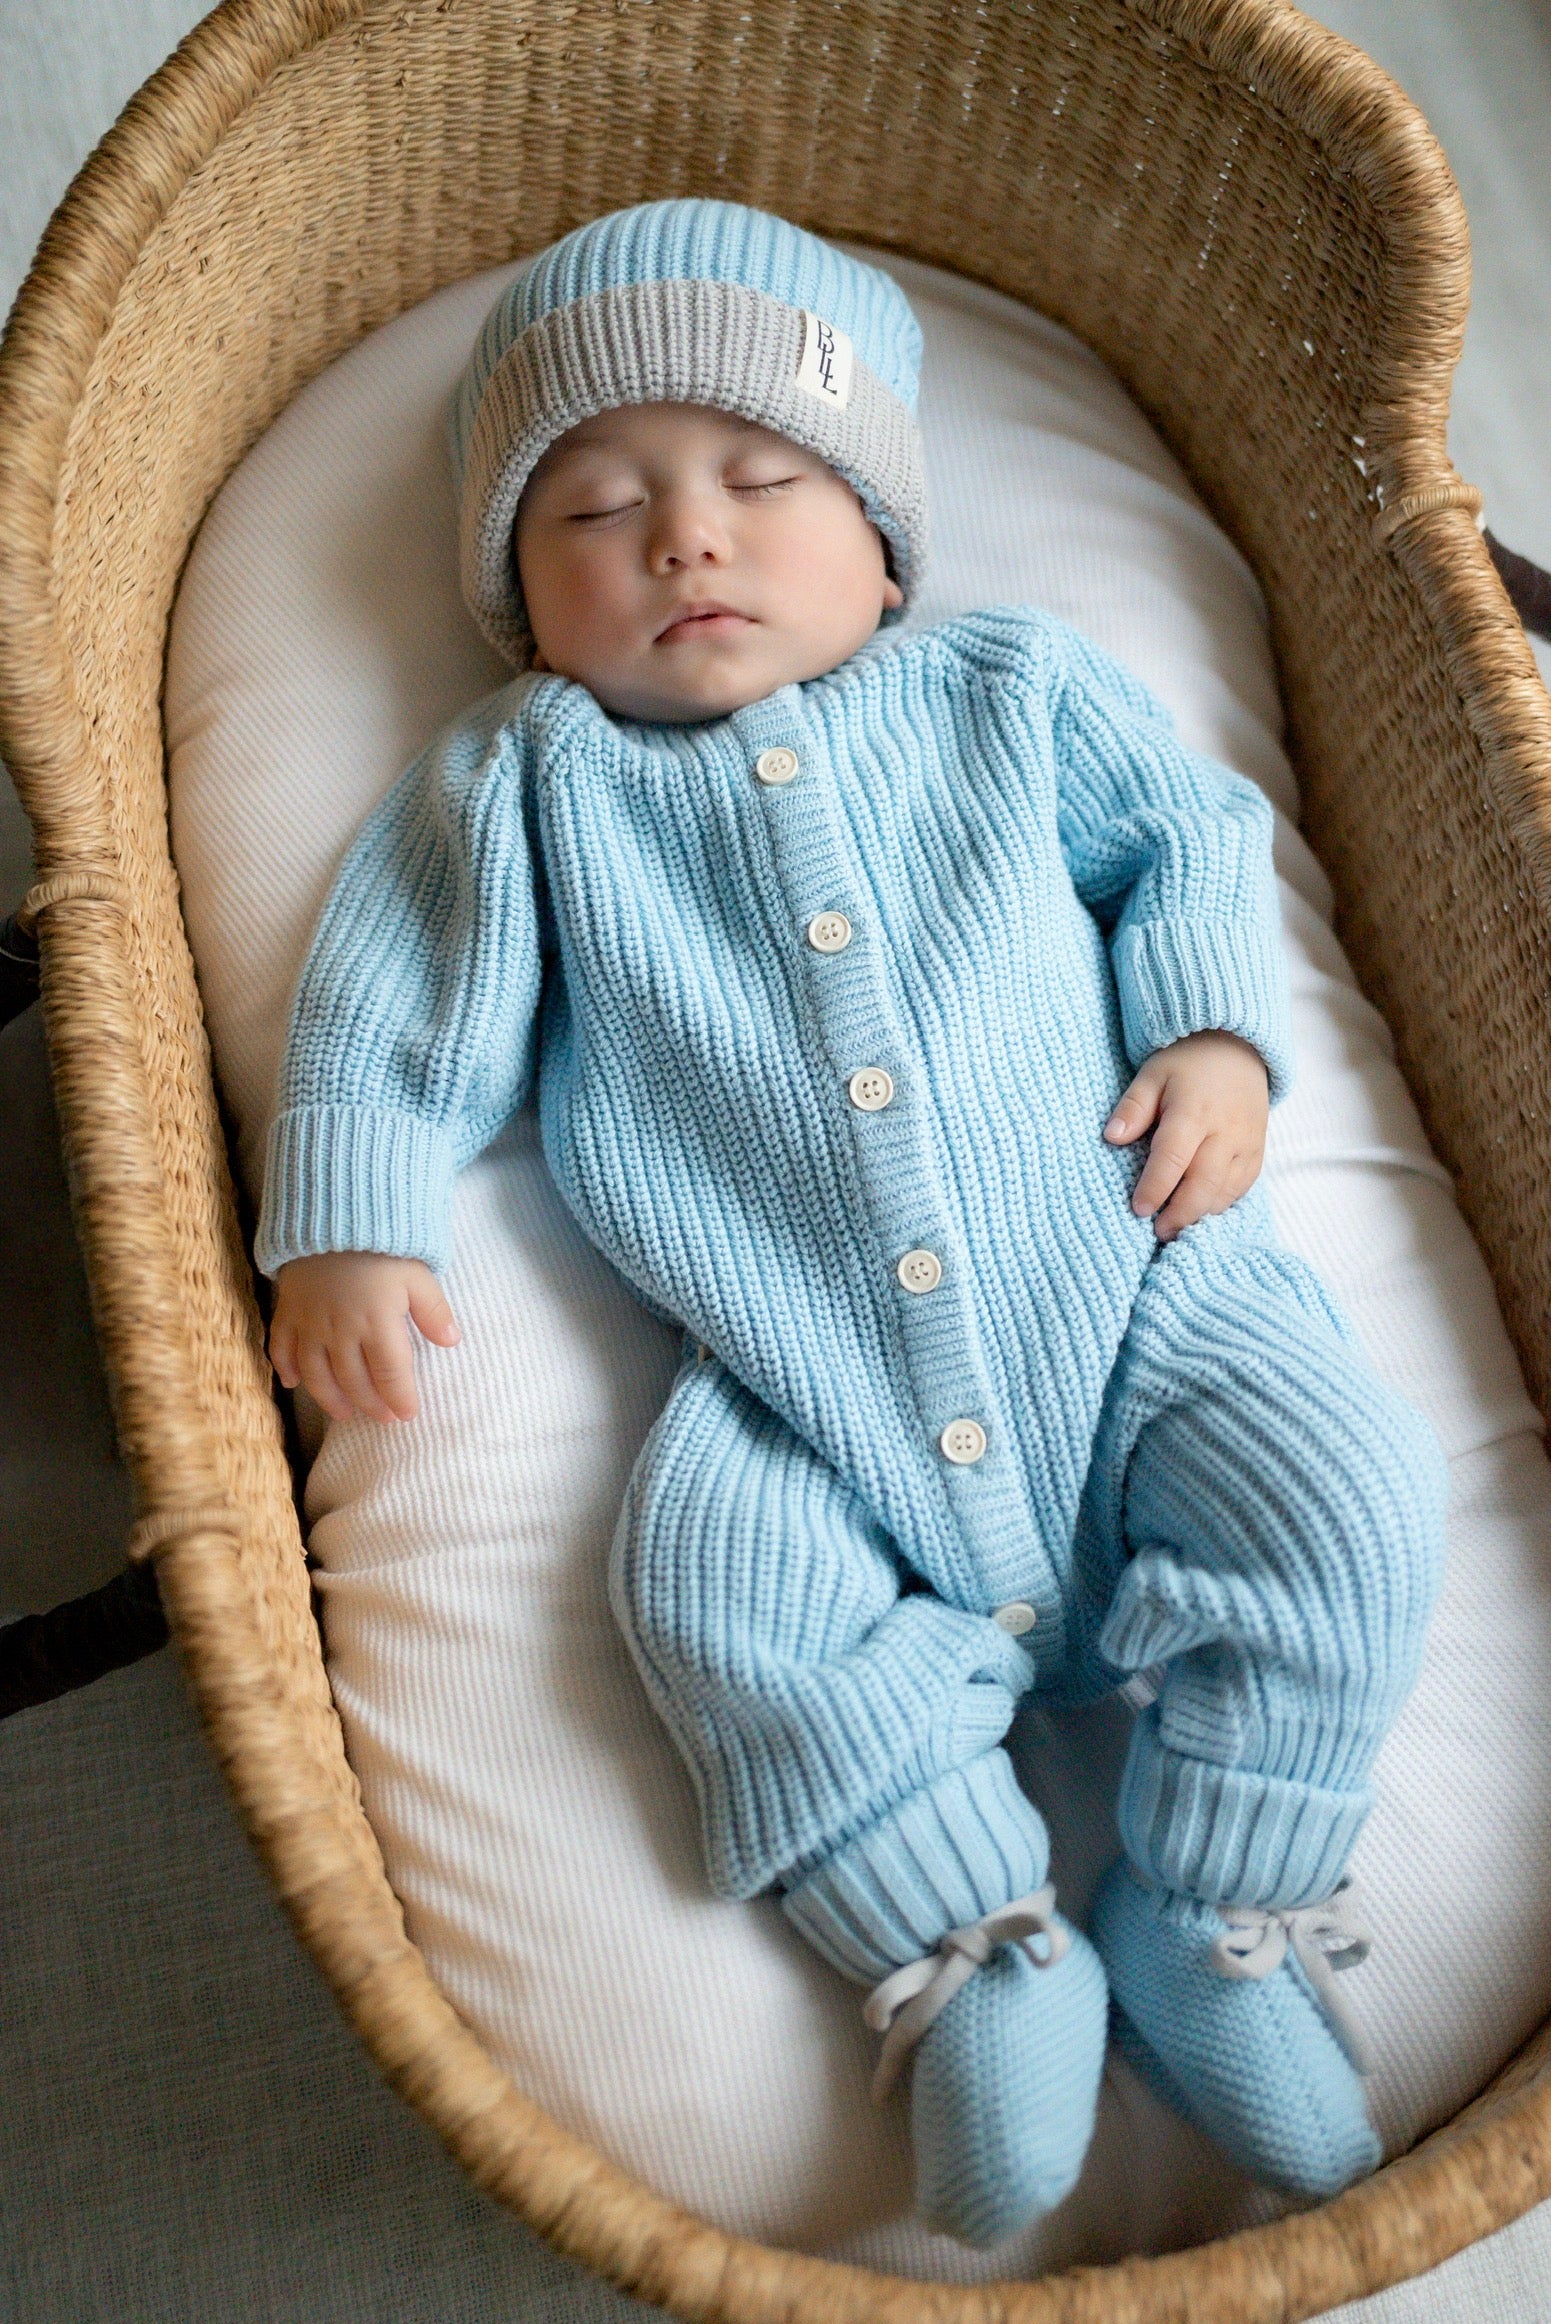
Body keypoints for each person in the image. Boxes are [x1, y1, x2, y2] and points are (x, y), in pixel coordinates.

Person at [256, 200, 1447, 2248]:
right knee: (713, 1603)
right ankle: (973, 1947)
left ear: (882, 545)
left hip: (1140, 1287)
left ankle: (1218, 1903)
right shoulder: (530, 779)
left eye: (759, 480)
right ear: (515, 604)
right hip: (791, 1376)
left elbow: (1187, 832)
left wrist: (1215, 1038)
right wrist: (349, 1219)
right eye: (594, 509)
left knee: (1344, 1503)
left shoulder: (1003, 685)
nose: (682, 538)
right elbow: (390, 1001)